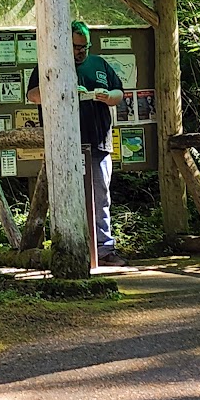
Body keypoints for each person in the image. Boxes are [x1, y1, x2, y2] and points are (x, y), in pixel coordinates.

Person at [27, 20, 125, 263]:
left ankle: (104, 249)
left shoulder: (99, 63)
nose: (82, 51)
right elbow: (32, 96)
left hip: (97, 141)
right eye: (77, 46)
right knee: (63, 195)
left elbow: (119, 94)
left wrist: (106, 96)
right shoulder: (49, 63)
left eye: (85, 46)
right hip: (63, 146)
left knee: (100, 196)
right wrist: (61, 89)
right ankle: (68, 247)